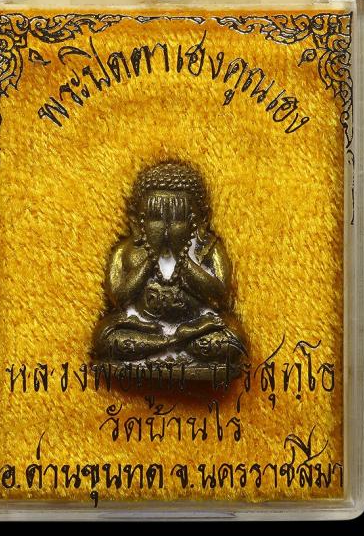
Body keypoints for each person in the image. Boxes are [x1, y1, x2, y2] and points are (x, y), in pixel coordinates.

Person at [91, 160, 247, 379]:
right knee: (105, 337)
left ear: (199, 223)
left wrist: (185, 260)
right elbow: (119, 297)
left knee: (232, 338)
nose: (166, 227)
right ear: (137, 223)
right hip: (143, 328)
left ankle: (164, 346)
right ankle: (168, 342)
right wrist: (149, 260)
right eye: (155, 218)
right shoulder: (126, 252)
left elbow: (219, 295)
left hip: (197, 326)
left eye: (178, 219)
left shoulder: (208, 250)